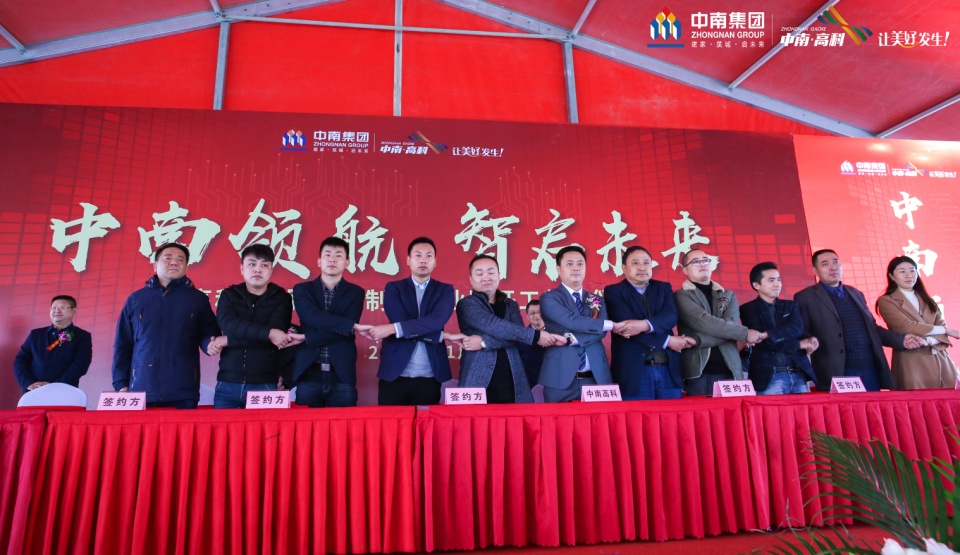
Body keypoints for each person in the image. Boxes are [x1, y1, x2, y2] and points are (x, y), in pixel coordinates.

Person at [795, 249, 925, 391]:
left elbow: (873, 329)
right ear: (815, 271)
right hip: (838, 370)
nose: (833, 267)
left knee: (873, 405)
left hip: (869, 367)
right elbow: (801, 331)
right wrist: (809, 341)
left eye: (836, 262)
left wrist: (901, 339)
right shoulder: (805, 297)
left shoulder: (856, 293)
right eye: (825, 264)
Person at [112, 243, 220, 408]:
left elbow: (208, 332)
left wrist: (210, 344)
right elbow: (123, 343)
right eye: (168, 258)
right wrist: (121, 384)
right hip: (142, 387)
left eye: (180, 260)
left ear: (186, 267)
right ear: (155, 265)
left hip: (183, 388)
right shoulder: (136, 299)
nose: (174, 262)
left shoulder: (198, 299)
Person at [455, 255, 562, 403]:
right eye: (479, 273)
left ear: (499, 275)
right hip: (477, 376)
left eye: (491, 272)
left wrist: (484, 342)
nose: (486, 277)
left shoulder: (510, 304)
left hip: (512, 376)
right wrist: (536, 336)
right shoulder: (466, 304)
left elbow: (516, 335)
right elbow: (494, 325)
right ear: (471, 279)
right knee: (474, 417)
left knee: (515, 416)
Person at [367, 237, 460, 405]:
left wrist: (394, 329)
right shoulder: (394, 288)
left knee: (426, 422)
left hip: (430, 375)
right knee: (392, 422)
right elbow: (400, 321)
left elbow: (436, 322)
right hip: (394, 374)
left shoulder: (444, 290)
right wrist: (440, 336)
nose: (423, 260)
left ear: (435, 261)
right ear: (408, 260)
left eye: (428, 256)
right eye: (418, 255)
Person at [604, 246, 695, 400]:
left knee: (673, 415)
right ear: (624, 268)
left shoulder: (663, 288)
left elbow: (670, 317)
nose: (642, 267)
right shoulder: (614, 291)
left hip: (667, 370)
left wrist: (642, 325)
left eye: (646, 262)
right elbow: (626, 328)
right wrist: (667, 341)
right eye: (635, 263)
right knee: (637, 416)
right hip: (634, 374)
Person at [211, 244, 294, 408]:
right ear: (242, 268)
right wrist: (268, 333)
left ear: (271, 270)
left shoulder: (282, 298)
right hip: (228, 382)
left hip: (265, 383)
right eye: (252, 264)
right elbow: (228, 325)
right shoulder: (229, 295)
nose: (258, 269)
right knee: (224, 426)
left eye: (264, 265)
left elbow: (276, 337)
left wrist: (229, 341)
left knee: (266, 427)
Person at [288, 237, 367, 407]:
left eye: (338, 255)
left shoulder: (356, 292)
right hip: (309, 371)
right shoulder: (302, 289)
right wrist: (348, 326)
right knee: (307, 424)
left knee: (343, 423)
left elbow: (344, 331)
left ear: (347, 262)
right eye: (328, 254)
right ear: (319, 261)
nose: (332, 259)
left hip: (341, 373)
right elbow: (311, 317)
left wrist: (307, 337)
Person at [674, 249, 763, 396]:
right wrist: (744, 333)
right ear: (685, 270)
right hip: (700, 372)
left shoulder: (728, 294)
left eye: (705, 260)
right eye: (695, 262)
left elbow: (732, 326)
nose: (702, 264)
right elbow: (705, 323)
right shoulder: (681, 296)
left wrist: (697, 340)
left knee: (736, 412)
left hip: (732, 369)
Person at [538, 245, 621, 402]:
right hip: (559, 378)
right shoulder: (549, 298)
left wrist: (573, 339)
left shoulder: (596, 299)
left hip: (596, 377)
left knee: (601, 418)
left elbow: (601, 330)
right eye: (569, 264)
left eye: (580, 264)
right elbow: (571, 321)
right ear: (558, 269)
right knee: (557, 418)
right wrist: (611, 325)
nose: (576, 268)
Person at [875, 256, 959, 389]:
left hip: (941, 358)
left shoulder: (928, 300)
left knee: (949, 399)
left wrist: (928, 341)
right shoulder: (887, 301)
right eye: (902, 271)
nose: (909, 275)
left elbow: (941, 327)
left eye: (912, 270)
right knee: (918, 399)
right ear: (891, 276)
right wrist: (945, 331)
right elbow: (906, 326)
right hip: (911, 360)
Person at [740, 262, 818, 395]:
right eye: (771, 280)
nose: (777, 284)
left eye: (778, 279)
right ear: (756, 285)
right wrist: (798, 344)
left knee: (805, 409)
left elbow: (796, 328)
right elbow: (761, 342)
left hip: (798, 374)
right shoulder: (748, 309)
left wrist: (767, 334)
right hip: (769, 377)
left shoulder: (791, 305)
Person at [14, 295, 92, 393]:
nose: (57, 311)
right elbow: (20, 361)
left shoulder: (82, 336)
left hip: (64, 391)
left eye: (62, 307)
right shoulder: (36, 334)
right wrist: (29, 383)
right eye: (54, 307)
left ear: (73, 310)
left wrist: (57, 386)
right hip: (33, 391)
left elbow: (81, 364)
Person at [518, 300, 546, 387]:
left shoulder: (557, 334)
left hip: (555, 385)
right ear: (527, 316)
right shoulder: (521, 338)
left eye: (539, 312)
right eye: (532, 313)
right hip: (530, 385)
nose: (536, 315)